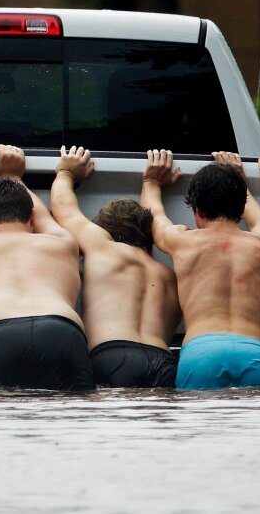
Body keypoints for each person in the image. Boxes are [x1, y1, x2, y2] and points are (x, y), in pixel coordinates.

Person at [0, 144, 94, 391]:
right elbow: (42, 214)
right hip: (61, 332)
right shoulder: (62, 242)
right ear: (32, 219)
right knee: (71, 423)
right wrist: (13, 175)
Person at [142, 149, 260, 390]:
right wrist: (239, 180)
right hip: (255, 354)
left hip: (202, 354)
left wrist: (151, 182)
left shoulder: (183, 241)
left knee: (200, 427)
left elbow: (154, 216)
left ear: (198, 210)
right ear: (241, 209)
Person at [50, 146, 181, 388]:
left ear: (106, 230)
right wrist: (152, 184)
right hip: (163, 361)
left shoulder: (104, 249)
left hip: (113, 355)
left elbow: (64, 210)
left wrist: (65, 172)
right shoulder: (170, 276)